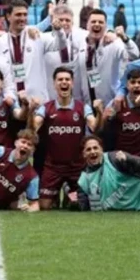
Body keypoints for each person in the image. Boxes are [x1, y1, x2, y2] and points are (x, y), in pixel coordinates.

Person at [30, 67, 103, 209]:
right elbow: (33, 128)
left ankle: (68, 191)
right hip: (53, 166)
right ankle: (56, 193)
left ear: (72, 83)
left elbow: (95, 128)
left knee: (79, 205)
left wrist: (99, 113)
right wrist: (31, 111)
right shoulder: (46, 108)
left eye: (67, 79)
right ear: (54, 84)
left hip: (76, 166)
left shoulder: (83, 107)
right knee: (45, 206)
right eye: (60, 79)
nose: (64, 82)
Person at [0, 0, 66, 102]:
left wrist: (59, 31)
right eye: (18, 14)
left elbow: (60, 45)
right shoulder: (0, 42)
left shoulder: (35, 36)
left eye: (25, 14)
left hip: (37, 100)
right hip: (11, 102)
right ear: (8, 17)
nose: (22, 18)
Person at [75, 9, 140, 108]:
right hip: (86, 105)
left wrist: (124, 38)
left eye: (101, 22)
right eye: (93, 21)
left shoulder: (113, 43)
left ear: (105, 26)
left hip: (110, 104)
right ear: (87, 25)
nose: (97, 24)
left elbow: (134, 54)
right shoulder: (80, 44)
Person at [103, 69, 140, 175]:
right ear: (127, 85)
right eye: (133, 82)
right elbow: (103, 130)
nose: (136, 86)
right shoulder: (117, 104)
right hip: (124, 167)